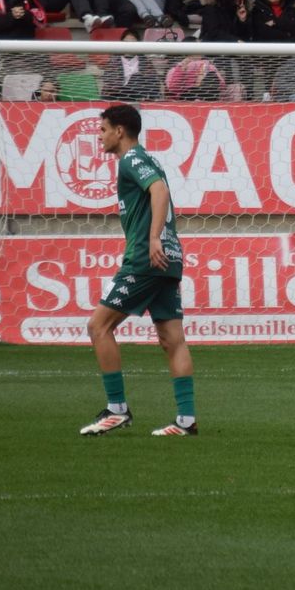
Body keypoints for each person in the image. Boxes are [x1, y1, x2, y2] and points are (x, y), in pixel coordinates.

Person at [79, 104, 200, 439]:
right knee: (172, 339)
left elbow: (159, 190)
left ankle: (117, 409)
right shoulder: (147, 159)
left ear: (119, 131)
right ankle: (186, 421)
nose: (100, 136)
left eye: (103, 129)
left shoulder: (131, 159)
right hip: (169, 259)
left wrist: (153, 238)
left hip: (146, 258)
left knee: (98, 326)